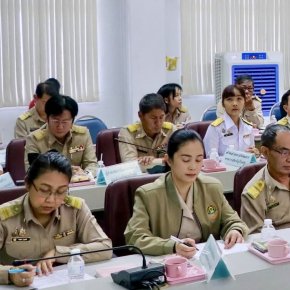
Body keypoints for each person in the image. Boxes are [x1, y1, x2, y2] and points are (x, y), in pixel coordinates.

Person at [125, 129, 249, 257]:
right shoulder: (148, 195)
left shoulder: (212, 187)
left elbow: (233, 221)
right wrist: (172, 246)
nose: (193, 167)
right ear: (169, 160)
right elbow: (135, 237)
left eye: (198, 160)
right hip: (170, 264)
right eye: (185, 160)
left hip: (206, 261)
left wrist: (235, 230)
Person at [0, 151, 112, 285]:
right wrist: (10, 274)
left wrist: (59, 253)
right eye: (44, 190)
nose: (52, 200)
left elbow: (105, 247)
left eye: (61, 191)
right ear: (28, 184)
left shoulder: (76, 208)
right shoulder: (5, 216)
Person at [25, 95, 97, 176]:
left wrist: (85, 174)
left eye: (65, 122)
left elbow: (92, 164)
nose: (60, 126)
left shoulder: (83, 135)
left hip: (79, 183)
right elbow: (31, 172)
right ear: (47, 119)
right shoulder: (34, 139)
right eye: (56, 121)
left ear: (72, 120)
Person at [241, 124, 290, 233]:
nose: (289, 159)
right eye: (284, 152)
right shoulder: (253, 192)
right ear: (265, 152)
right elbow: (257, 239)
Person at [118, 93, 175, 171]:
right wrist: (164, 161)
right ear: (140, 116)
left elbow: (179, 160)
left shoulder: (171, 130)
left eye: (161, 117)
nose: (158, 123)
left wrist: (152, 161)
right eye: (153, 118)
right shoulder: (128, 132)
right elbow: (129, 166)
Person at [203, 84, 257, 157]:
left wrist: (255, 154)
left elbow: (251, 155)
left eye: (239, 99)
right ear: (223, 104)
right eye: (229, 99)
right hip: (224, 168)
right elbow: (211, 159)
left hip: (245, 168)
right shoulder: (215, 128)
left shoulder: (248, 127)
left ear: (244, 102)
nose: (235, 104)